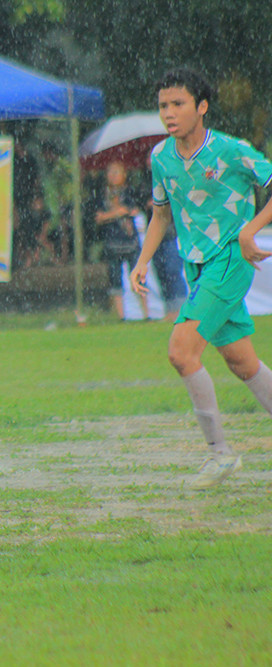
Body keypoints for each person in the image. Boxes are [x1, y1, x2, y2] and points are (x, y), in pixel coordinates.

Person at [131, 68, 272, 490]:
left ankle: (220, 454)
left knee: (181, 351)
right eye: (163, 106)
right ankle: (221, 455)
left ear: (202, 107)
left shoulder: (230, 150)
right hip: (197, 266)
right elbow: (161, 214)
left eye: (178, 104)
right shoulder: (161, 157)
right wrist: (142, 261)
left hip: (229, 259)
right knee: (242, 362)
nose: (169, 113)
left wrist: (250, 230)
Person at [95, 161, 148, 319]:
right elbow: (99, 217)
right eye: (110, 172)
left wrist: (111, 215)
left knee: (138, 277)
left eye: (116, 172)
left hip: (130, 242)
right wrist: (117, 213)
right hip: (112, 243)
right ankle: (121, 316)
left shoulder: (130, 192)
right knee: (115, 279)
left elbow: (131, 210)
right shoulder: (102, 195)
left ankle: (146, 314)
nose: (113, 176)